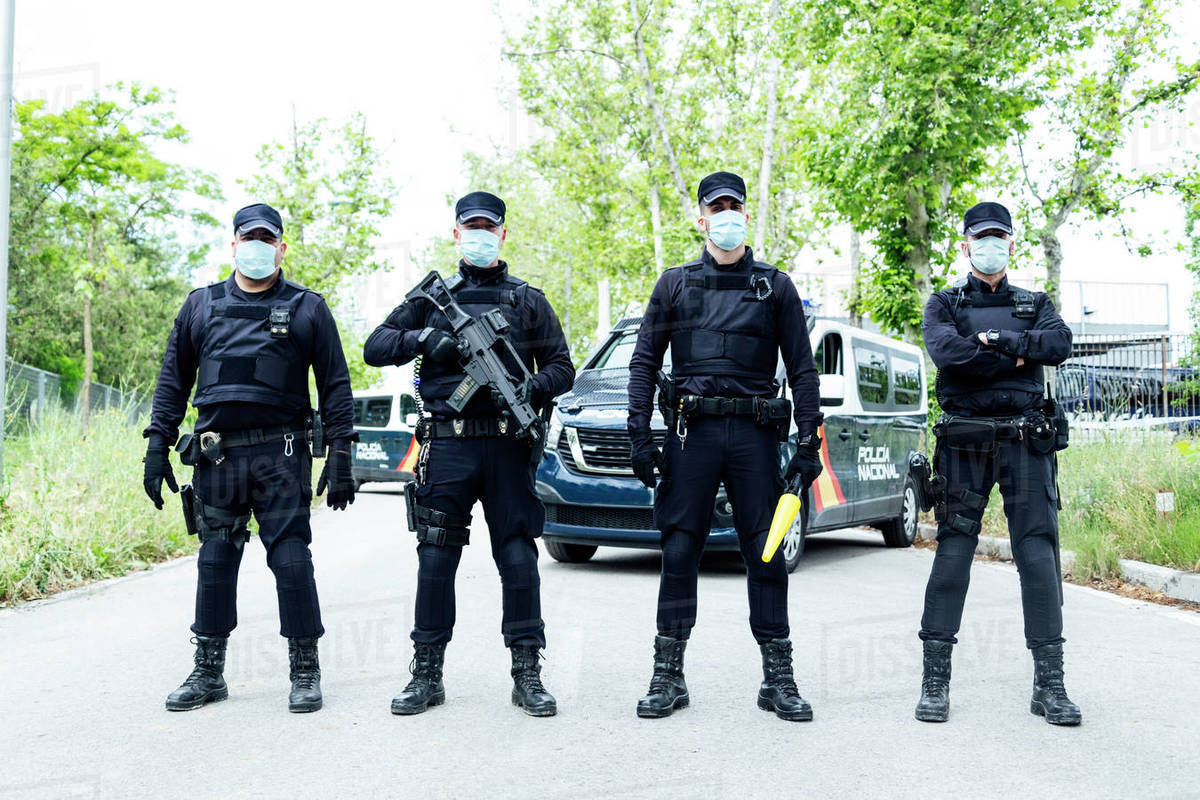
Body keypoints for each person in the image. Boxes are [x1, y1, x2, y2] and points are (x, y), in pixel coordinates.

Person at [364, 191, 575, 717]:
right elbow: (375, 345)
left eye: (489, 227)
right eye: (470, 227)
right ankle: (426, 675)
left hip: (506, 444)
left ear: (503, 234)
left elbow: (563, 368)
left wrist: (533, 388)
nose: (480, 235)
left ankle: (527, 673)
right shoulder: (432, 300)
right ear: (456, 233)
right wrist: (423, 338)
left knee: (519, 557)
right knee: (436, 558)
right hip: (449, 443)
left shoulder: (528, 300)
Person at [143, 202, 357, 714]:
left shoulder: (308, 308)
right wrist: (157, 446)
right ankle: (208, 672)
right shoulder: (200, 305)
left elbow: (335, 385)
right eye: (249, 238)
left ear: (282, 247)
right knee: (215, 560)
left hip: (281, 454)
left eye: (268, 239)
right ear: (233, 244)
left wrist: (341, 453)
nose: (258, 247)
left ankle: (305, 671)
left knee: (290, 560)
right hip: (217, 457)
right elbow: (173, 380)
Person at [626, 171, 823, 721]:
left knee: (766, 553)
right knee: (680, 550)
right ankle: (668, 676)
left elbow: (803, 371)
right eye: (718, 208)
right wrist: (638, 436)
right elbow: (644, 362)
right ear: (701, 218)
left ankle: (777, 678)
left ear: (745, 215)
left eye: (735, 206)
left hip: (756, 438)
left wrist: (808, 444)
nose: (727, 215)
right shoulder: (674, 284)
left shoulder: (775, 286)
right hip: (692, 435)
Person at [915, 200, 1079, 725]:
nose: (990, 246)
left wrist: (1003, 340)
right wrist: (1016, 358)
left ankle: (1050, 686)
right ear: (965, 245)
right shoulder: (943, 302)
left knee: (1037, 555)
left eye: (999, 237)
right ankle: (934, 685)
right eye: (980, 237)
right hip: (964, 444)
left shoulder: (1035, 302)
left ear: (1012, 244)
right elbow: (949, 355)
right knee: (954, 554)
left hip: (1026, 443)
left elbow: (1059, 343)